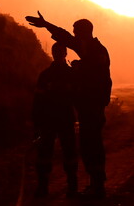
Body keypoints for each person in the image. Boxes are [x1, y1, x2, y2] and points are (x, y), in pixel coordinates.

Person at [26, 12, 112, 199]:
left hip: (92, 107)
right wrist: (47, 24)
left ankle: (97, 188)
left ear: (84, 32)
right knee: (89, 146)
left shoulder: (95, 51)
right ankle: (94, 186)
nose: (73, 35)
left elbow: (96, 79)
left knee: (92, 146)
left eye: (76, 31)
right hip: (88, 108)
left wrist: (79, 69)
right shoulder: (88, 48)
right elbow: (66, 37)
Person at [32, 42, 78, 197]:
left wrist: (36, 122)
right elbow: (38, 101)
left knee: (53, 153)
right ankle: (70, 187)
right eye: (57, 52)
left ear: (63, 53)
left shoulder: (46, 75)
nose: (58, 54)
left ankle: (46, 187)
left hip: (52, 119)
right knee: (63, 152)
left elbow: (37, 101)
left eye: (59, 52)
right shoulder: (70, 74)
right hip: (57, 119)